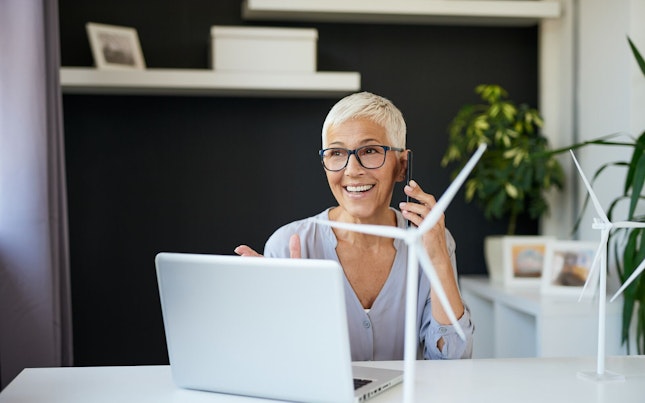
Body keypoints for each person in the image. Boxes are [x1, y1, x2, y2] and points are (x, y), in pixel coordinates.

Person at [235, 91, 473, 360]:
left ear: (402, 165)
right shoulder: (289, 243)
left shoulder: (432, 239)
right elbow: (275, 363)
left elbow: (453, 360)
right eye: (336, 153)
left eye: (370, 151)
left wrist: (439, 260)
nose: (352, 170)